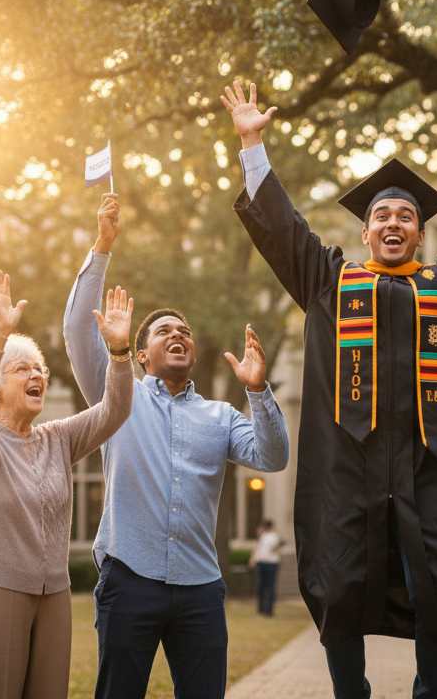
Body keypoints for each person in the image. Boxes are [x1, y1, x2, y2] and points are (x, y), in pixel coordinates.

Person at [223, 80, 437, 698]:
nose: (393, 223)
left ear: (421, 233)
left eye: (406, 216)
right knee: (339, 582)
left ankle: (431, 694)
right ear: (364, 232)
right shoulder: (329, 282)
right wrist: (252, 142)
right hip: (347, 471)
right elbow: (283, 228)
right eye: (381, 215)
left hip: (430, 470)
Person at [62, 192, 290, 699]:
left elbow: (273, 457)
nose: (178, 334)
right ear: (141, 353)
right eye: (164, 331)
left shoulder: (220, 415)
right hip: (130, 579)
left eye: (184, 331)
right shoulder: (116, 393)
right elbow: (78, 328)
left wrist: (258, 391)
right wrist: (102, 244)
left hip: (200, 589)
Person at [0, 271, 134, 699]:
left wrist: (120, 352)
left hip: (54, 594)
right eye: (22, 370)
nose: (37, 375)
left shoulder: (57, 439)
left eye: (40, 369)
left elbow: (116, 410)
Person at [250, 520, 282, 616]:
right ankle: (260, 609)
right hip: (261, 563)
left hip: (271, 563)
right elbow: (256, 549)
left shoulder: (274, 537)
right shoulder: (260, 537)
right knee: (260, 587)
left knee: (270, 586)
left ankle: (269, 610)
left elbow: (274, 548)